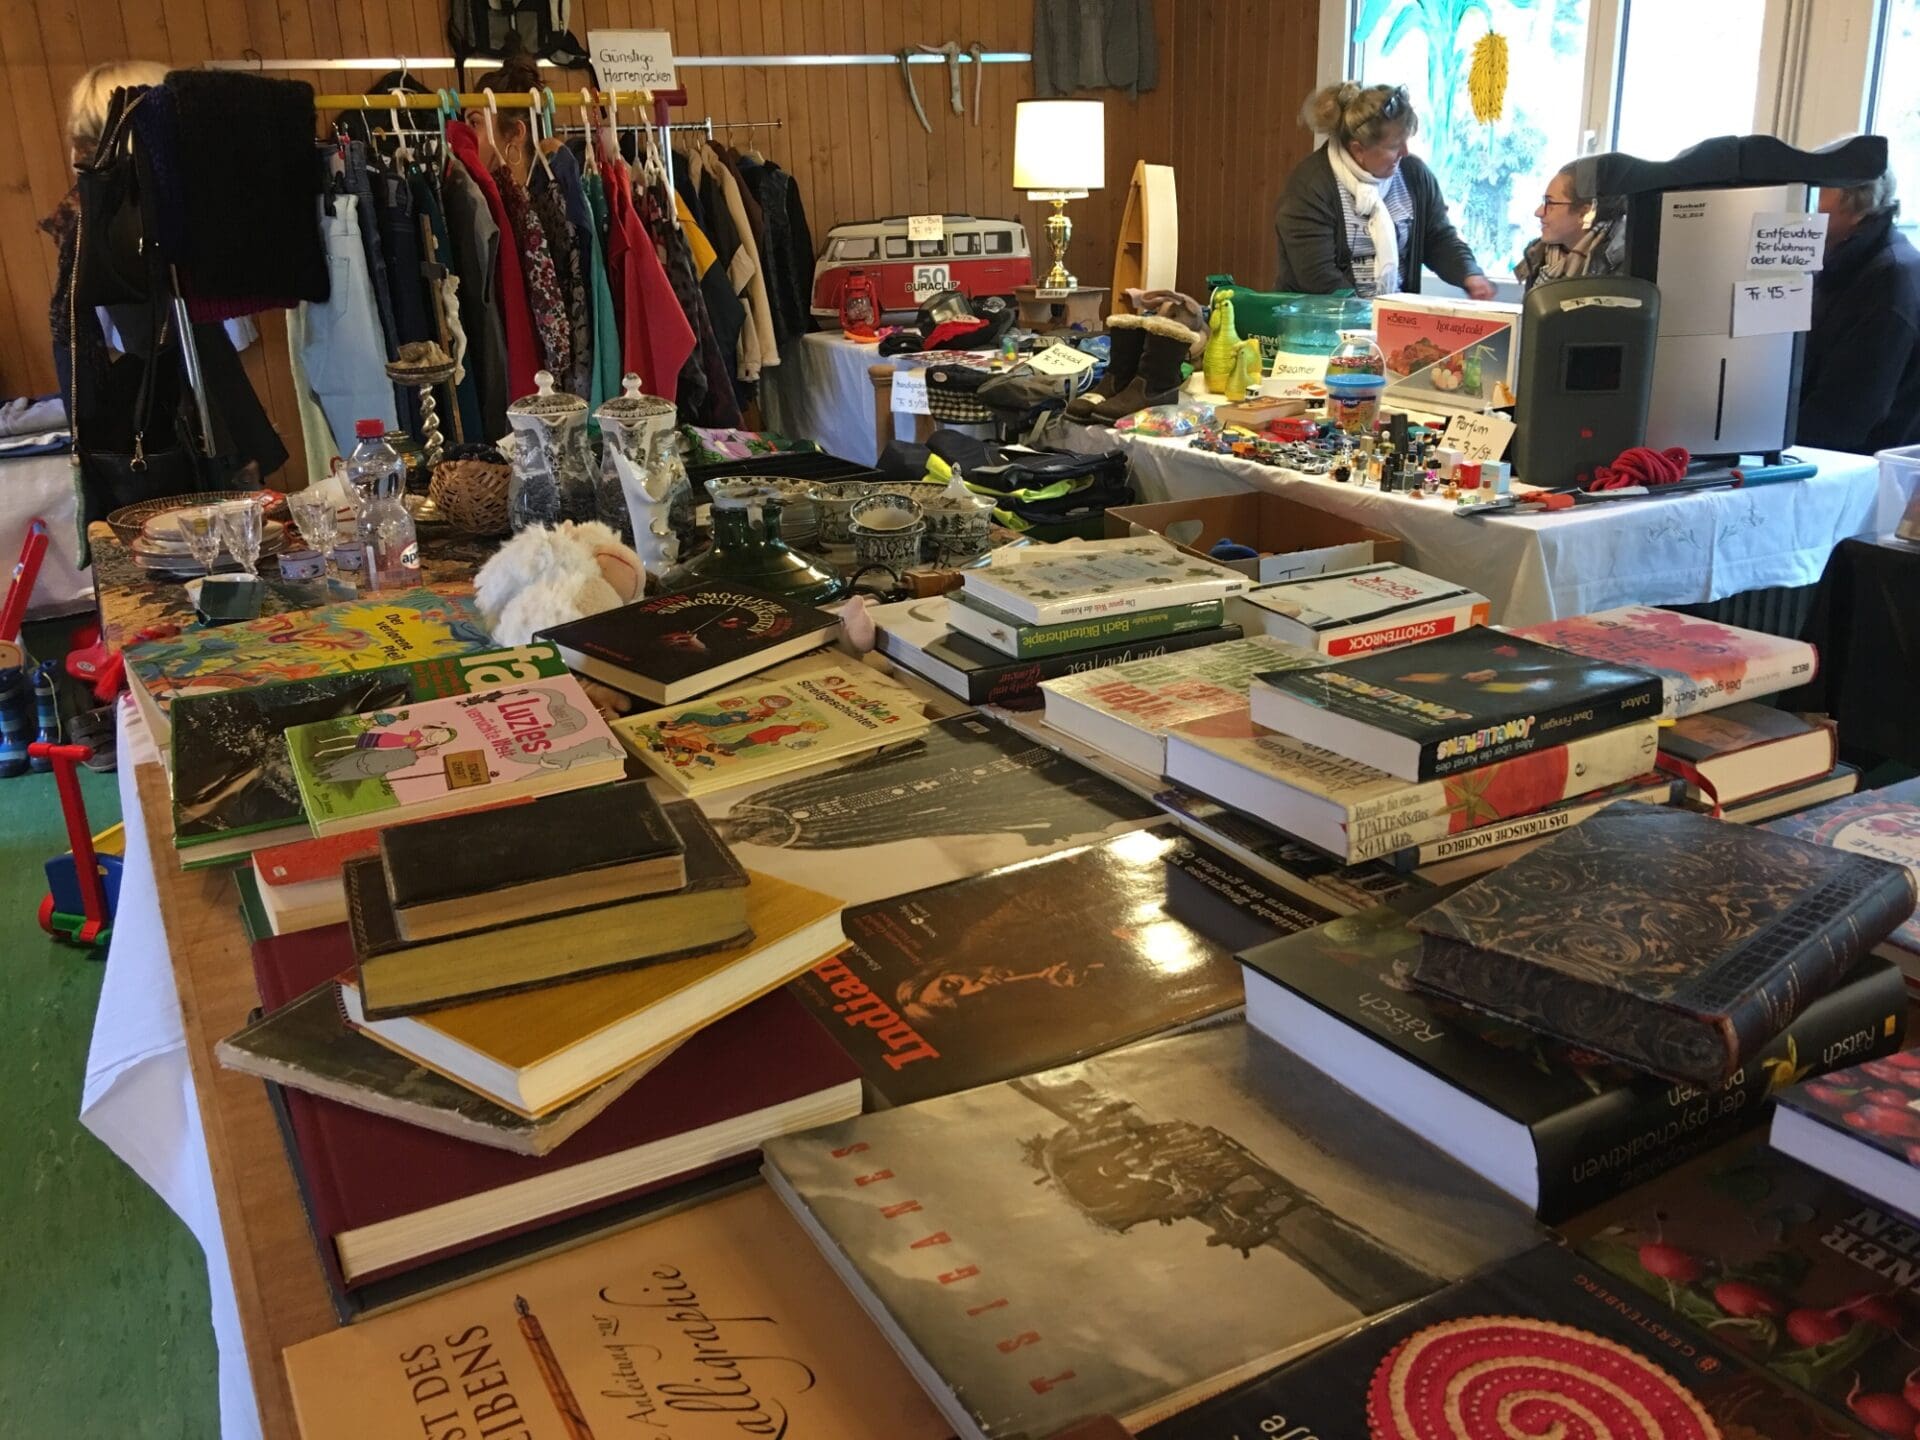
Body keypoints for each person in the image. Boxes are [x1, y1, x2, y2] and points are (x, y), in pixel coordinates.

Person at [1274, 82, 1494, 301]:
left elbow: (1438, 239)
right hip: (1323, 317)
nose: (1405, 152)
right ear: (1358, 150)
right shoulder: (1310, 186)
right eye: (1394, 146)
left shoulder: (1414, 175)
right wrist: (1371, 315)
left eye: (1405, 141)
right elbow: (1317, 277)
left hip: (1390, 315)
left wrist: (1469, 273)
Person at [1796, 166, 1920, 455]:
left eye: (1816, 191)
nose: (1802, 204)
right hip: (1835, 457)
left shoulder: (1888, 277)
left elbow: (1845, 415)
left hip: (1861, 468)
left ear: (1858, 202)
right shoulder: (1843, 264)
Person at [1515, 162, 1625, 292]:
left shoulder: (1622, 263)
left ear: (1584, 213)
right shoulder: (1539, 254)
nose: (1538, 212)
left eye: (1550, 203)